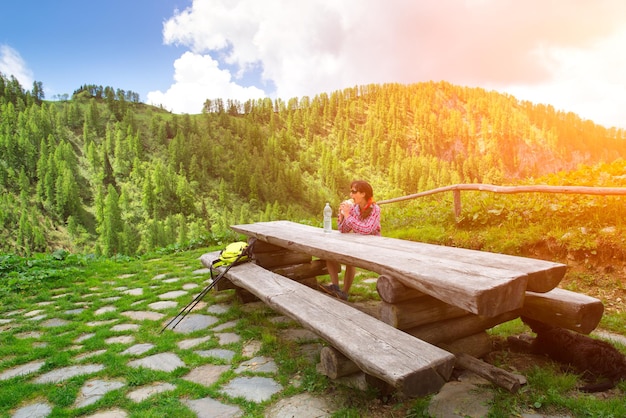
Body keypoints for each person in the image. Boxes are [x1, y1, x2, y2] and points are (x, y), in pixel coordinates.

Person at [321, 180, 381, 300]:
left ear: (363, 194)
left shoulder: (375, 209)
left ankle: (344, 292)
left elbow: (367, 230)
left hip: (372, 246)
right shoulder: (354, 208)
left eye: (354, 192)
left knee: (349, 258)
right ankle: (335, 287)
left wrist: (348, 216)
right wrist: (342, 215)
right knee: (329, 251)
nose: (351, 195)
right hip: (357, 243)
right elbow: (343, 229)